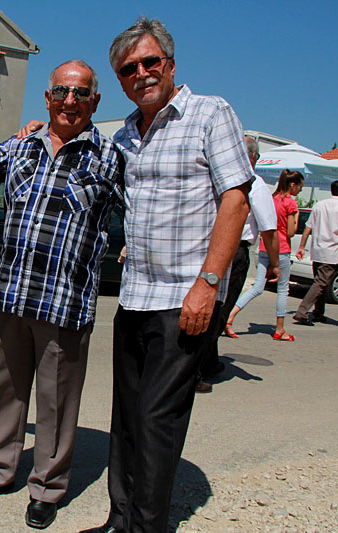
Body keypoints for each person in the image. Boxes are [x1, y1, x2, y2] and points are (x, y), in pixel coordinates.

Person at [85, 18, 252, 533]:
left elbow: (235, 199)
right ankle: (120, 520)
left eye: (149, 62)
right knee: (127, 416)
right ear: (120, 80)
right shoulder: (124, 135)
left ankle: (147, 527)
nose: (141, 73)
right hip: (135, 295)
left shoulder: (210, 113)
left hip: (185, 297)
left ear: (171, 65)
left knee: (158, 418)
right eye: (128, 69)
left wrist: (208, 284)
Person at [0, 59, 124, 530]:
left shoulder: (111, 157)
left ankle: (47, 486)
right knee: (3, 391)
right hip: (12, 294)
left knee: (57, 402)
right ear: (47, 98)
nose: (70, 101)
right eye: (62, 92)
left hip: (65, 302)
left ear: (95, 101)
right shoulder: (21, 146)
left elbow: (145, 207)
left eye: (81, 93)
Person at [196, 136, 279, 393]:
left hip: (212, 247)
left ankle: (209, 362)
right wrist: (275, 263)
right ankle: (195, 371)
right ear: (254, 158)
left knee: (214, 307)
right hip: (234, 250)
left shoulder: (219, 178)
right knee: (218, 311)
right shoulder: (255, 185)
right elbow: (269, 229)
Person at [225, 169, 304, 343]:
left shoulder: (272, 198)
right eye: (300, 187)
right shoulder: (290, 203)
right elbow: (290, 232)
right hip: (281, 248)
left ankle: (230, 316)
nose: (300, 190)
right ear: (292, 185)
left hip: (263, 247)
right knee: (283, 289)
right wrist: (296, 216)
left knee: (258, 287)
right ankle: (280, 329)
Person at [293, 180, 338, 326]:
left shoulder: (319, 205)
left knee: (320, 282)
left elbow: (308, 227)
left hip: (317, 249)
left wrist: (302, 246)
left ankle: (319, 312)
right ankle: (302, 311)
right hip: (331, 251)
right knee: (320, 283)